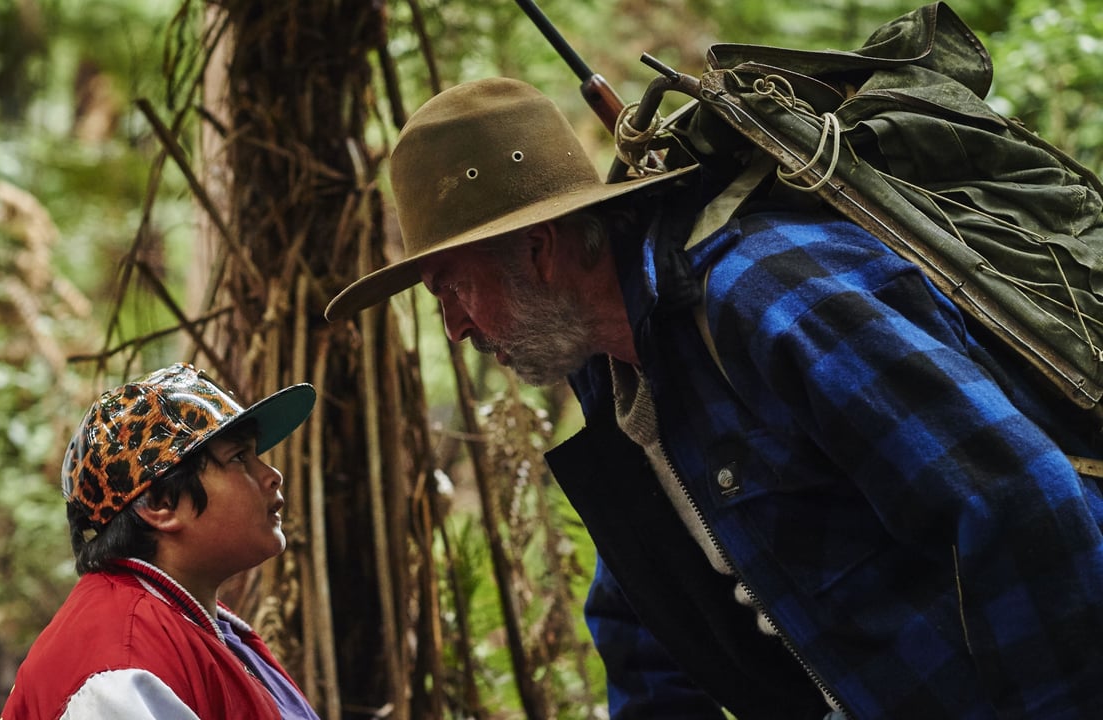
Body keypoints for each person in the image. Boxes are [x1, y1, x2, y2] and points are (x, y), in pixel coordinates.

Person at [324, 77, 1103, 718]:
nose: (455, 327)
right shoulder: (615, 374)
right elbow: (647, 621)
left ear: (539, 249)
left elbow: (1019, 503)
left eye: (451, 289)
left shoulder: (766, 297)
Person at [1, 362, 321, 720]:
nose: (272, 476)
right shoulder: (120, 669)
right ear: (160, 504)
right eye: (238, 458)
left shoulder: (196, 624)